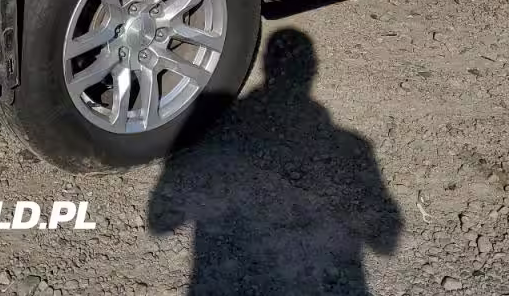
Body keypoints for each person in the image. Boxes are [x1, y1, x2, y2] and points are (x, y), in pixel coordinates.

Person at [148, 28, 403, 295]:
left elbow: (162, 220)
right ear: (312, 71)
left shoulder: (221, 128)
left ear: (266, 66)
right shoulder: (353, 148)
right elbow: (386, 239)